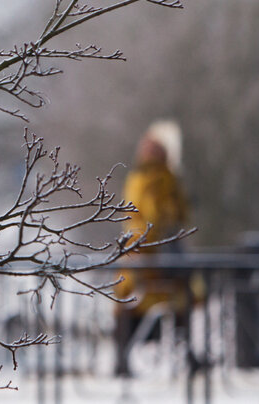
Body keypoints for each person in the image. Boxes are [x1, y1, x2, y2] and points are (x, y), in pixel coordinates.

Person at [114, 127, 190, 377]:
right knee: (133, 301)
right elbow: (149, 215)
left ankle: (124, 359)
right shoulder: (149, 180)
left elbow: (166, 213)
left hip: (152, 255)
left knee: (132, 302)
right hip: (148, 254)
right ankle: (124, 360)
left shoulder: (155, 179)